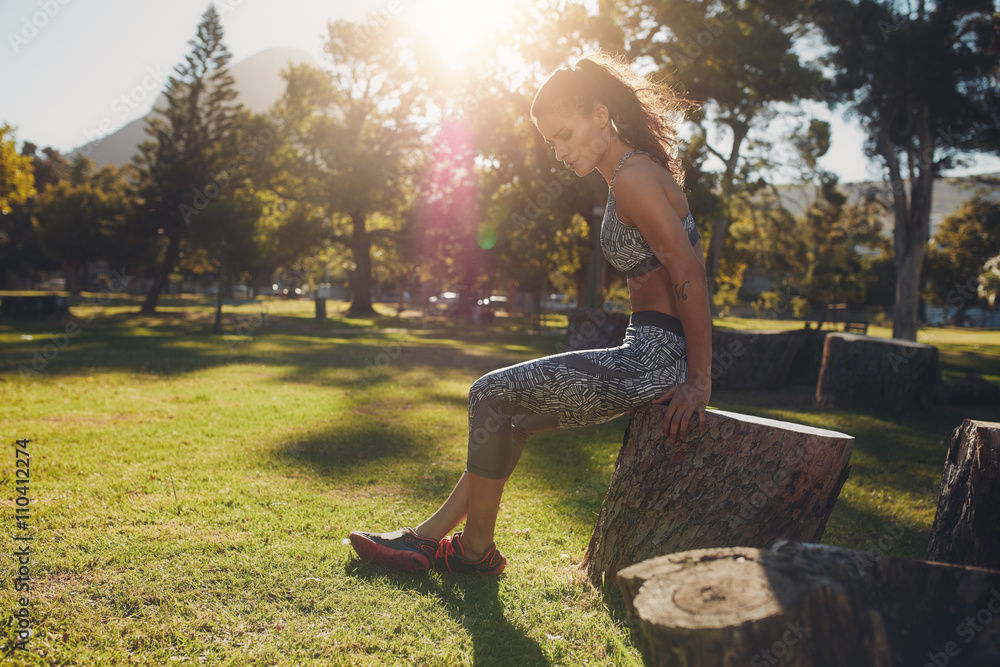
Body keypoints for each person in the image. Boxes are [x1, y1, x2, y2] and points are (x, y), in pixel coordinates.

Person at [350, 52, 712, 576]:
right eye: (551, 143)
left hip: (655, 360)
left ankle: (468, 550)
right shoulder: (625, 177)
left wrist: (698, 381)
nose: (559, 152)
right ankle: (433, 541)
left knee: (488, 393)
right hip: (647, 351)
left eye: (565, 135)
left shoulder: (633, 177)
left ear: (601, 117)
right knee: (509, 419)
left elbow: (689, 270)